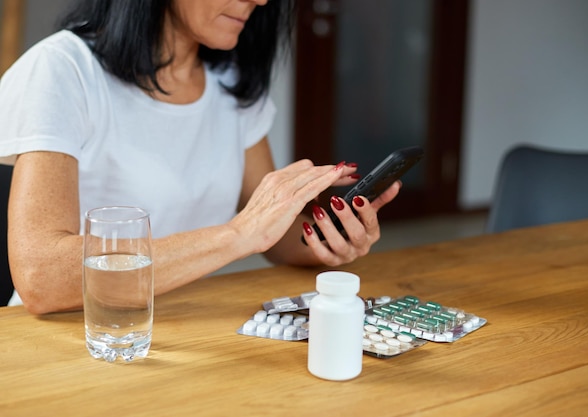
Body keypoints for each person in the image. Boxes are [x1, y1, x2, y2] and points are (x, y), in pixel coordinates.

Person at [0, 0, 402, 315]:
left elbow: (275, 238)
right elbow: (42, 277)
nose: (259, 0)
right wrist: (235, 236)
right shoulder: (62, 69)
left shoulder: (232, 84)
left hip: (184, 327)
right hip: (78, 335)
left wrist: (332, 238)